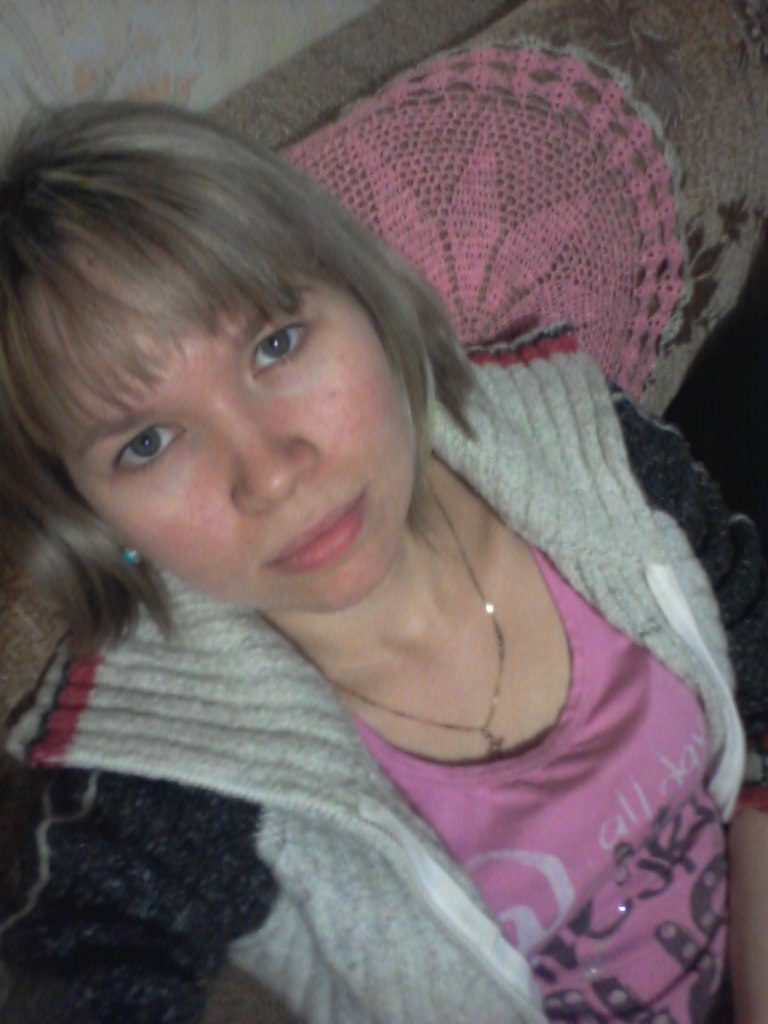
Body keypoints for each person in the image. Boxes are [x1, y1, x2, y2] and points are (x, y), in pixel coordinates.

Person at [0, 101, 766, 1024]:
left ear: (363, 293)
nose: (271, 473)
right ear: (86, 516)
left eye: (275, 344)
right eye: (147, 443)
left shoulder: (582, 439)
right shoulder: (143, 782)